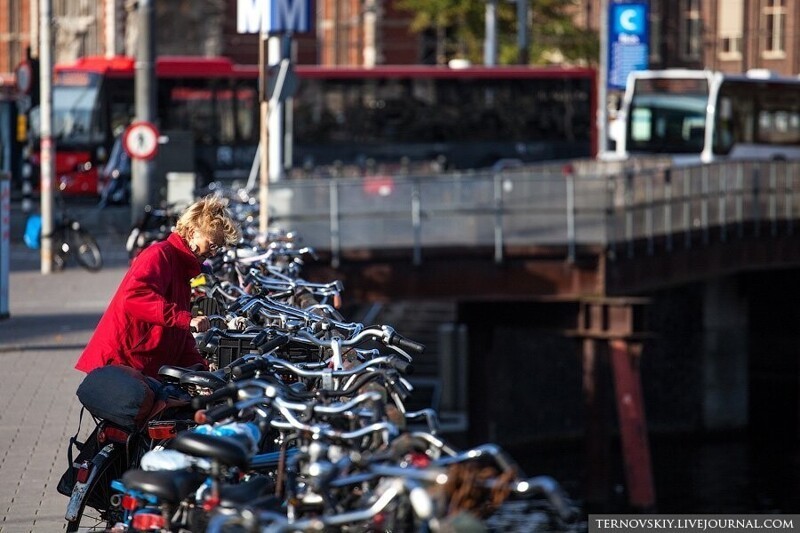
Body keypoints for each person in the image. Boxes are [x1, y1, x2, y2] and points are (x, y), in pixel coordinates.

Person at [75, 195, 241, 379]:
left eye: (218, 247)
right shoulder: (160, 254)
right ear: (193, 232)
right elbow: (135, 297)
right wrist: (185, 319)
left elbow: (180, 334)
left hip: (141, 367)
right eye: (211, 244)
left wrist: (200, 368)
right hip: (121, 364)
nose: (213, 252)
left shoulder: (182, 268)